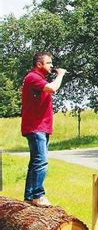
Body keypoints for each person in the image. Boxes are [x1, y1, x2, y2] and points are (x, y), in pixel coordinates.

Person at [21, 52, 66, 206]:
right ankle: (38, 195)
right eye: (49, 63)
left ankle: (29, 197)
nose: (52, 66)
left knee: (35, 162)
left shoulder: (38, 79)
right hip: (35, 127)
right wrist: (60, 75)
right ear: (39, 64)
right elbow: (52, 88)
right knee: (41, 161)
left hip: (41, 127)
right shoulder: (32, 77)